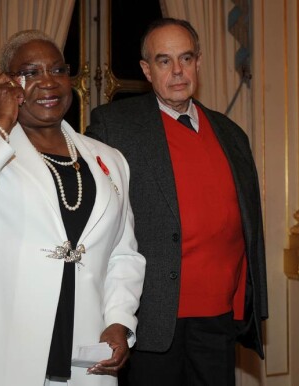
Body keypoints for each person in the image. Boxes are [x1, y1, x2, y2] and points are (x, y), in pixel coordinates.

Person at [0, 30, 145, 386]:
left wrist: (118, 321)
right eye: (31, 72)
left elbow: (123, 254)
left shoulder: (109, 159)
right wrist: (0, 124)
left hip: (81, 357)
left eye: (57, 70)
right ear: (6, 84)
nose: (48, 82)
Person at [86, 18, 268, 386]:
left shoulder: (231, 133)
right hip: (152, 316)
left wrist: (243, 305)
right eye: (164, 60)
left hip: (220, 318)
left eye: (185, 58)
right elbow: (82, 198)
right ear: (146, 69)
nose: (177, 71)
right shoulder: (114, 125)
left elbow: (249, 226)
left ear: (198, 62)